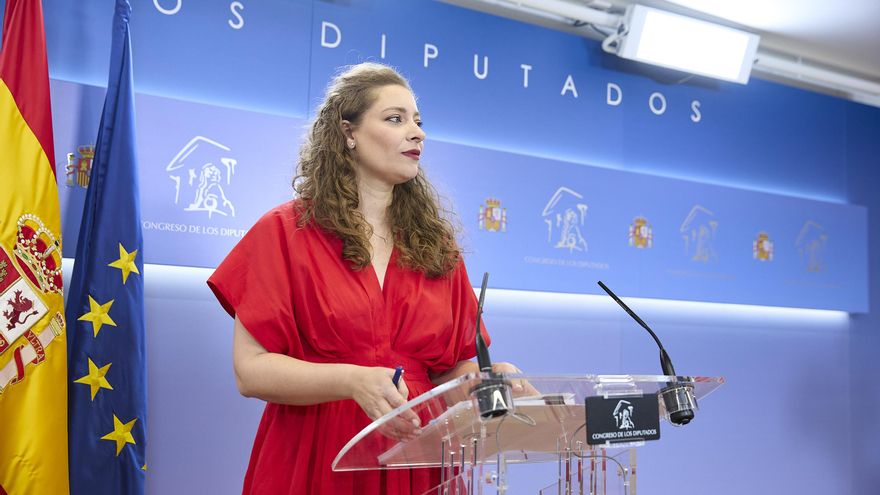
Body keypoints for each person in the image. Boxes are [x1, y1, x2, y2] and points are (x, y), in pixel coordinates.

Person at [207, 62, 522, 495]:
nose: (417, 133)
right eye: (395, 119)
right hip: (316, 455)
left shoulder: (437, 245)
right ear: (348, 133)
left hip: (418, 458)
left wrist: (482, 380)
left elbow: (447, 372)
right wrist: (352, 381)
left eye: (418, 121)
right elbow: (251, 371)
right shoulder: (283, 232)